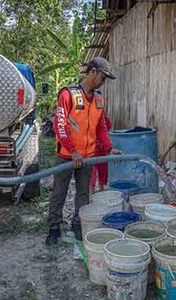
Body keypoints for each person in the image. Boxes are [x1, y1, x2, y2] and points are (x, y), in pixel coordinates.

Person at [46, 57, 121, 245]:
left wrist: (109, 147)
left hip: (88, 157)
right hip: (66, 156)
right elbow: (60, 126)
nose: (103, 82)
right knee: (59, 192)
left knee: (83, 194)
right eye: (103, 78)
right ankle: (54, 227)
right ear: (93, 72)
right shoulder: (68, 95)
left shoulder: (98, 99)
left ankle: (78, 224)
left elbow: (101, 127)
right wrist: (72, 151)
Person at [89, 115, 112, 194]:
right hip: (91, 150)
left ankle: (101, 189)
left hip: (102, 150)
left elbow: (106, 130)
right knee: (92, 172)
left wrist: (106, 146)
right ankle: (91, 192)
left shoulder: (105, 120)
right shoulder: (87, 118)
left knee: (103, 171)